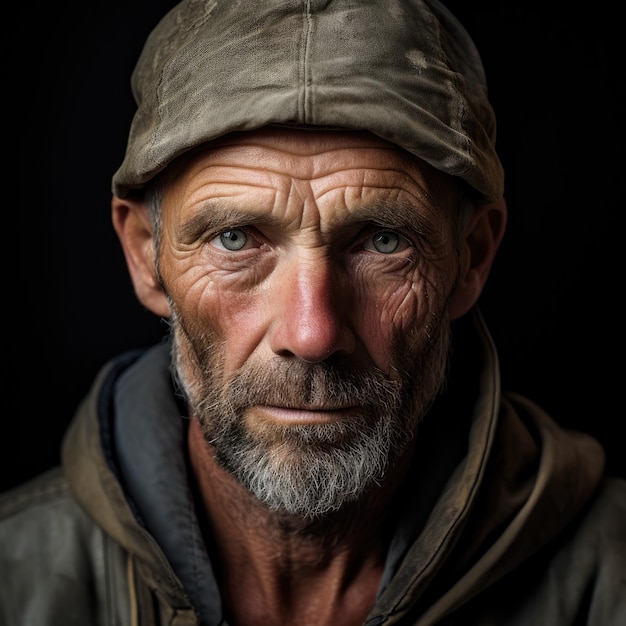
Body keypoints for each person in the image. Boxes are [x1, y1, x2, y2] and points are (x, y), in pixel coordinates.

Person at [1, 0, 624, 624]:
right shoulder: (16, 579)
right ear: (145, 256)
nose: (313, 333)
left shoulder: (609, 576)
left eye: (383, 240)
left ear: (471, 258)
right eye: (236, 238)